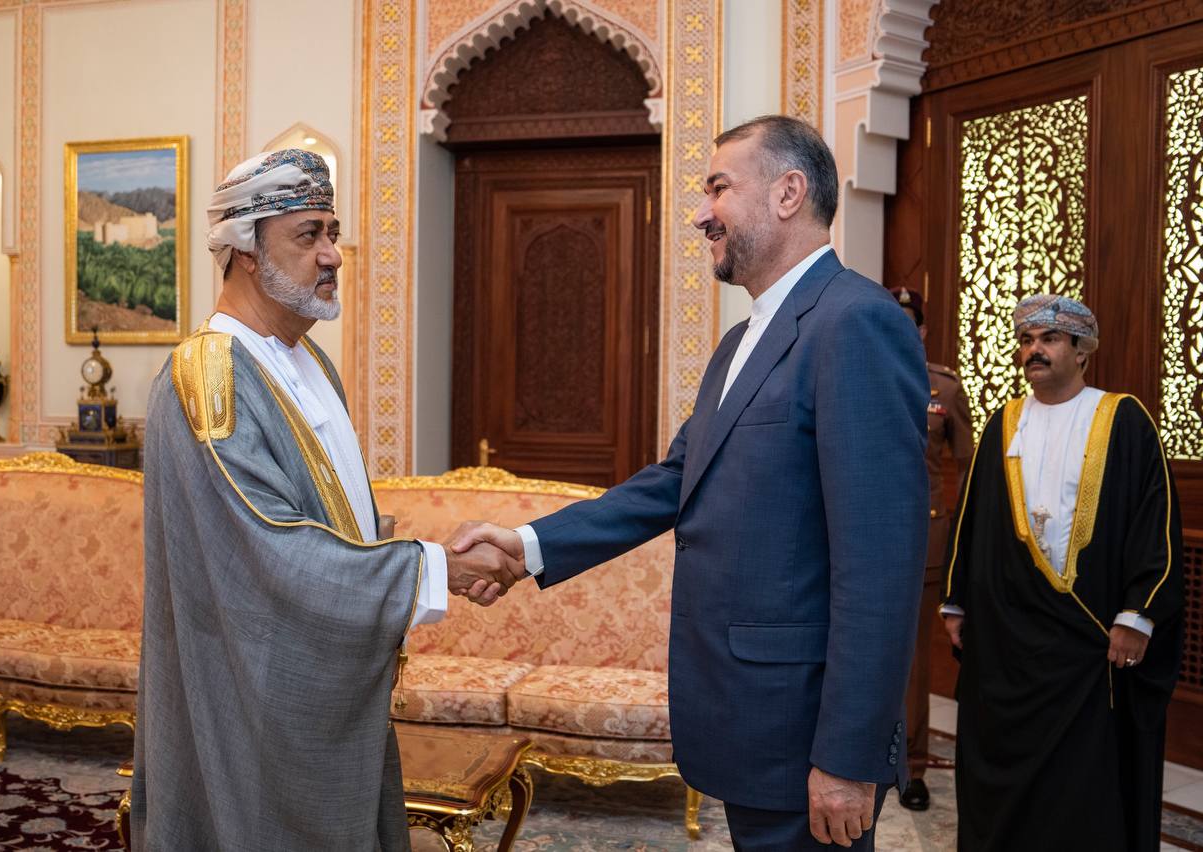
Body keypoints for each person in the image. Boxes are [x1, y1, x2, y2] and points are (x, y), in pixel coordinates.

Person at [453, 116, 930, 850]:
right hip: (745, 716)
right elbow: (676, 480)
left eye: (718, 188)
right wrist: (527, 545)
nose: (701, 213)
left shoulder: (855, 322)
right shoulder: (741, 341)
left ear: (788, 193)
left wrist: (847, 757)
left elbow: (880, 567)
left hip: (802, 730)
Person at [132, 149, 517, 851]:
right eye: (308, 235)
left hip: (323, 686)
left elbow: (325, 517)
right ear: (247, 251)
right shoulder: (210, 376)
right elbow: (269, 550)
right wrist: (435, 569)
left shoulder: (308, 360)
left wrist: (389, 546)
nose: (333, 254)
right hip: (256, 698)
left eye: (332, 233)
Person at [941, 294, 1183, 851]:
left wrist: (1138, 615)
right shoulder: (1005, 423)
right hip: (1008, 643)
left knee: (1083, 785)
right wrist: (955, 602)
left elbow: (1156, 521)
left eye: (1049, 340)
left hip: (1090, 643)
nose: (1034, 351)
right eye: (1027, 341)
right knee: (1001, 771)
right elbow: (970, 520)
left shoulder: (1123, 419)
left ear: (1082, 351)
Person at [886, 286, 973, 812]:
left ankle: (911, 765)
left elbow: (969, 469)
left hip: (922, 542)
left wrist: (960, 537)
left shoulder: (944, 388)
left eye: (908, 321)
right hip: (857, 539)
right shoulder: (858, 371)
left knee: (914, 661)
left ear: (921, 330)